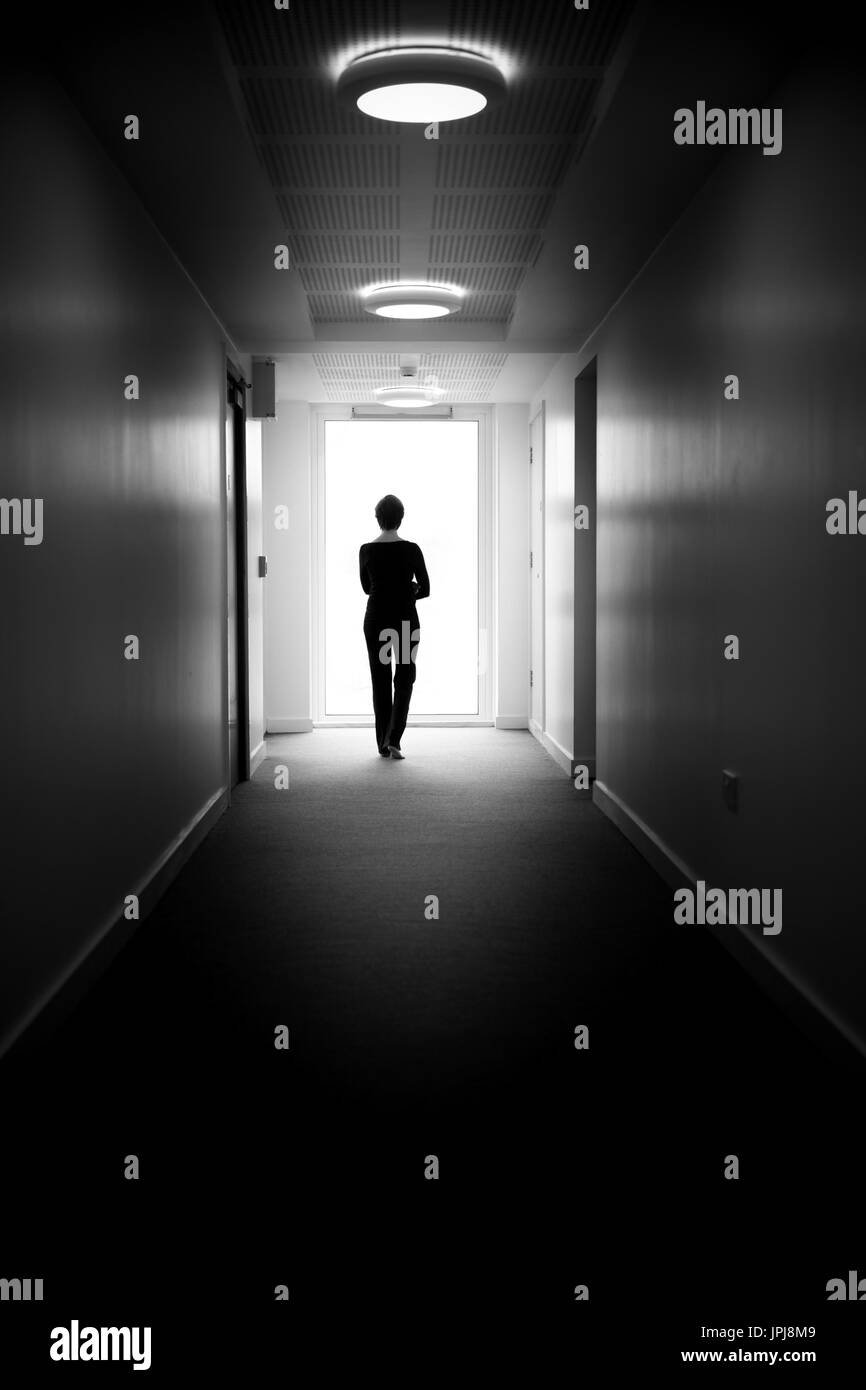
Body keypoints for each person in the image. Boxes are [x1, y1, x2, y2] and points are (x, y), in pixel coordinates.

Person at [359, 495, 430, 759]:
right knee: (404, 676)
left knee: (380, 679)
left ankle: (382, 744)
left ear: (378, 519)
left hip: (376, 620)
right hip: (404, 621)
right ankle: (394, 740)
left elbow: (368, 588)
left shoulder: (366, 550)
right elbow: (426, 588)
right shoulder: (411, 549)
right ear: (401, 518)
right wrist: (408, 590)